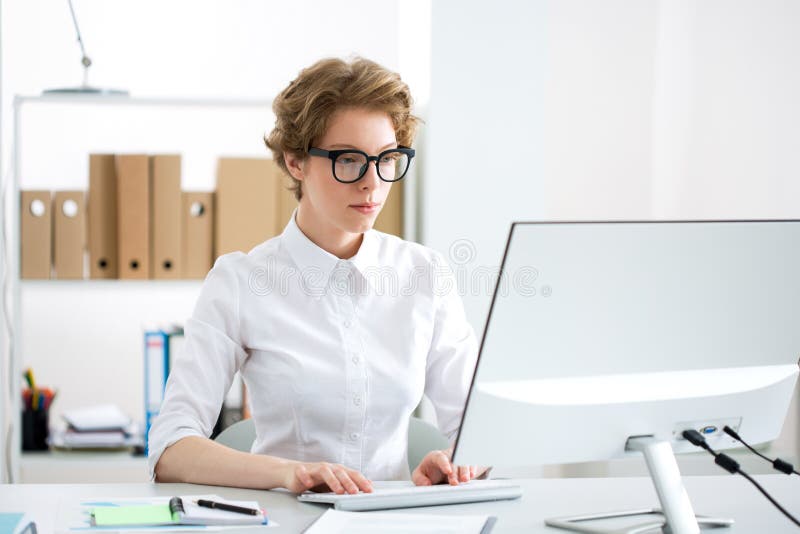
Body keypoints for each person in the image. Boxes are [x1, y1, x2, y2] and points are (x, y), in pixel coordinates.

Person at [149, 57, 483, 494]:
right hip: (287, 521)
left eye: (387, 159)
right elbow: (171, 447)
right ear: (295, 161)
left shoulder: (424, 275)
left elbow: (482, 428)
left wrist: (461, 463)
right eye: (349, 160)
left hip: (395, 522)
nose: (372, 184)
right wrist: (290, 473)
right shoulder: (241, 282)